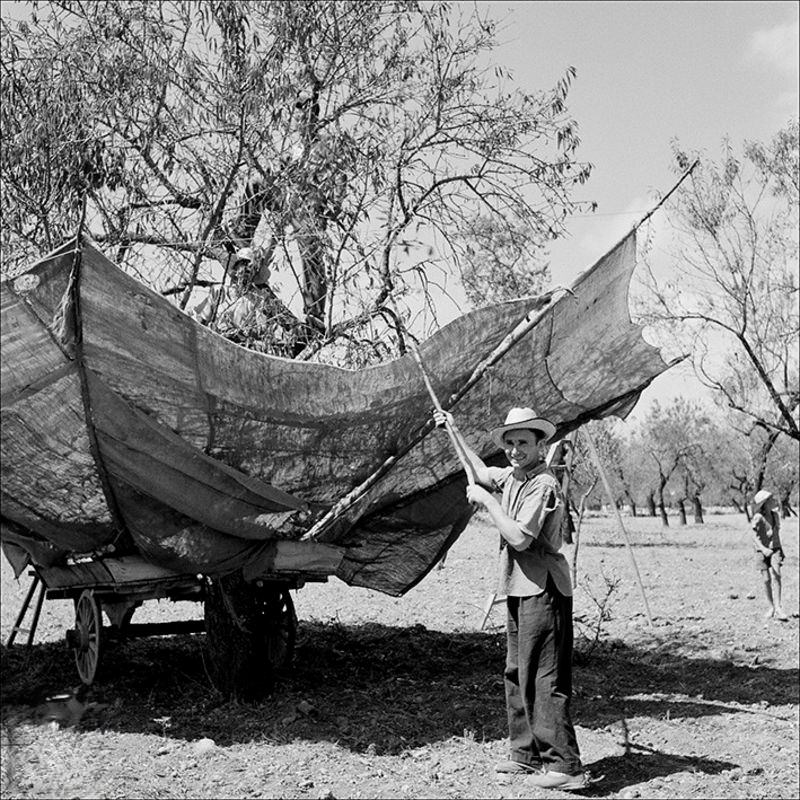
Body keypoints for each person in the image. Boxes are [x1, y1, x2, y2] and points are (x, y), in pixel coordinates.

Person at [434, 406, 590, 792]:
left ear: (541, 445)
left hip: (544, 589)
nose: (516, 450)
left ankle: (565, 764)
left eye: (524, 442)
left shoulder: (542, 484)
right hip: (519, 587)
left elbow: (520, 537)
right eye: (510, 443)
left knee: (544, 676)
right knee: (516, 672)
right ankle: (525, 753)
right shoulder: (513, 476)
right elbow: (481, 472)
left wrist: (488, 504)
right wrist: (453, 429)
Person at [751, 489, 788, 621]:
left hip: (775, 548)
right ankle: (771, 606)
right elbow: (754, 537)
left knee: (777, 575)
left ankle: (778, 607)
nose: (773, 501)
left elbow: (777, 534)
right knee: (766, 579)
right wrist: (763, 549)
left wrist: (781, 550)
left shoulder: (775, 516)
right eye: (770, 500)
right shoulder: (758, 518)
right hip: (761, 551)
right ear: (765, 503)